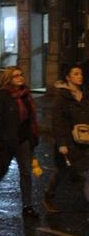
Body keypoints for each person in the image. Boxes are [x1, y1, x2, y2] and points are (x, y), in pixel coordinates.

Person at [0, 66, 40, 218]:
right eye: (16, 76)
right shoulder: (1, 96)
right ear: (9, 79)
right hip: (6, 140)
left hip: (23, 139)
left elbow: (31, 119)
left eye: (21, 74)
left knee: (26, 172)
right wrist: (2, 139)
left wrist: (33, 136)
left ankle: (27, 206)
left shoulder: (25, 95)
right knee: (3, 169)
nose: (20, 78)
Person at [47, 64, 89, 203]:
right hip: (69, 142)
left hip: (85, 141)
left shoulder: (85, 95)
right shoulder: (62, 97)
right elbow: (58, 122)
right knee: (62, 171)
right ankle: (50, 191)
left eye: (81, 74)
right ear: (68, 77)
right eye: (76, 74)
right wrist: (62, 144)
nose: (80, 76)